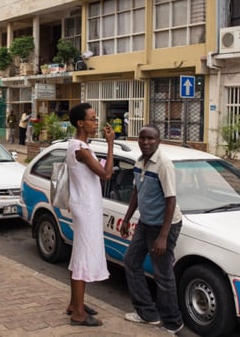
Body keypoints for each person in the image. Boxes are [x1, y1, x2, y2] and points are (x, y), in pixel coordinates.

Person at [120, 124, 183, 334]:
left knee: (163, 275)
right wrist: (127, 218)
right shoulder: (139, 162)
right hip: (145, 223)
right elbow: (137, 193)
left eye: (151, 139)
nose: (146, 142)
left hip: (164, 227)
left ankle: (173, 323)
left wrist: (163, 236)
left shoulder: (164, 165)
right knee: (131, 261)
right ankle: (147, 313)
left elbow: (171, 201)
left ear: (159, 141)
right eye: (143, 138)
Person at [64, 103, 115, 327]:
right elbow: (106, 174)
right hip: (85, 207)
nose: (96, 122)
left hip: (86, 205)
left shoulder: (81, 145)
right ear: (80, 123)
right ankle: (78, 314)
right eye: (93, 119)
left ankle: (75, 304)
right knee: (83, 257)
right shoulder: (80, 149)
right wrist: (111, 145)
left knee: (79, 255)